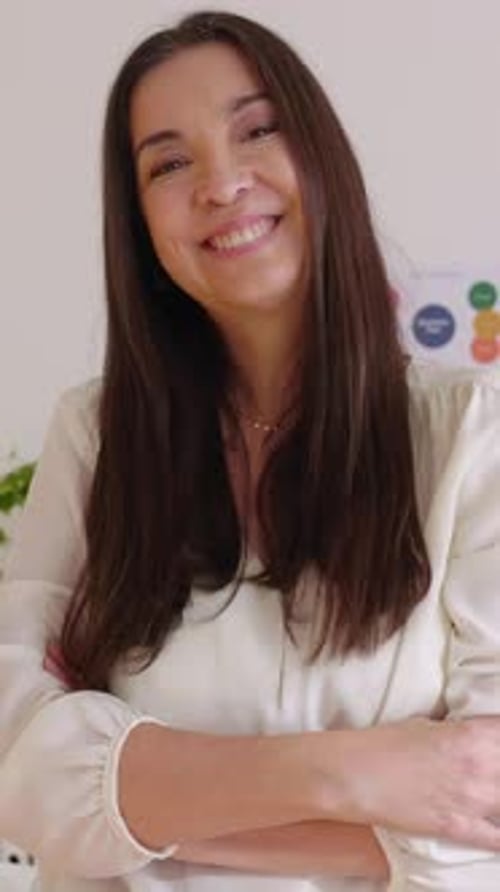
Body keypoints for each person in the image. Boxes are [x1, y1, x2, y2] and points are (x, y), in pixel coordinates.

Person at [0, 9, 499, 891]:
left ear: (321, 154)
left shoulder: (471, 434)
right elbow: (12, 758)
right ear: (139, 227)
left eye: (256, 129)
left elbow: (484, 817)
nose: (221, 183)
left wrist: (139, 818)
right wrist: (347, 776)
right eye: (168, 162)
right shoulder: (97, 437)